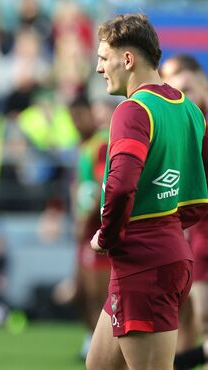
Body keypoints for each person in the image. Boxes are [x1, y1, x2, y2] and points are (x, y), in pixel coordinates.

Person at [87, 14, 208, 370]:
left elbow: (121, 186)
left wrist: (107, 237)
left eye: (102, 58)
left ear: (127, 59)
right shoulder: (190, 109)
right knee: (98, 366)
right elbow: (198, 193)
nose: (97, 68)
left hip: (143, 260)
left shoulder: (132, 110)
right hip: (169, 248)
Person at [161, 55, 208, 370]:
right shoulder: (182, 130)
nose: (183, 98)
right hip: (199, 240)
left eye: (187, 88)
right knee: (201, 320)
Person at [68, 95, 111, 360]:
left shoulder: (102, 143)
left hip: (97, 229)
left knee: (98, 293)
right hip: (86, 227)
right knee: (83, 291)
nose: (75, 123)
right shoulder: (84, 145)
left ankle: (105, 347)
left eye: (79, 116)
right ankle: (92, 340)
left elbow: (98, 187)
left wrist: (84, 222)